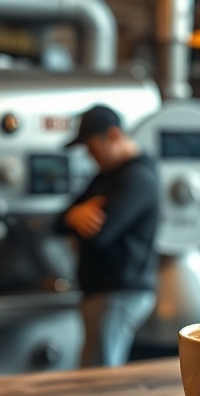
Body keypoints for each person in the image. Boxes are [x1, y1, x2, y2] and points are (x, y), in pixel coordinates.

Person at [56, 104, 160, 367]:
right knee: (94, 370)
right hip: (101, 291)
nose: (90, 156)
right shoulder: (106, 176)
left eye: (92, 148)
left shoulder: (137, 178)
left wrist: (75, 217)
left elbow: (97, 236)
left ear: (113, 135)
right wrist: (72, 216)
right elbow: (59, 221)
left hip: (119, 292)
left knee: (99, 376)